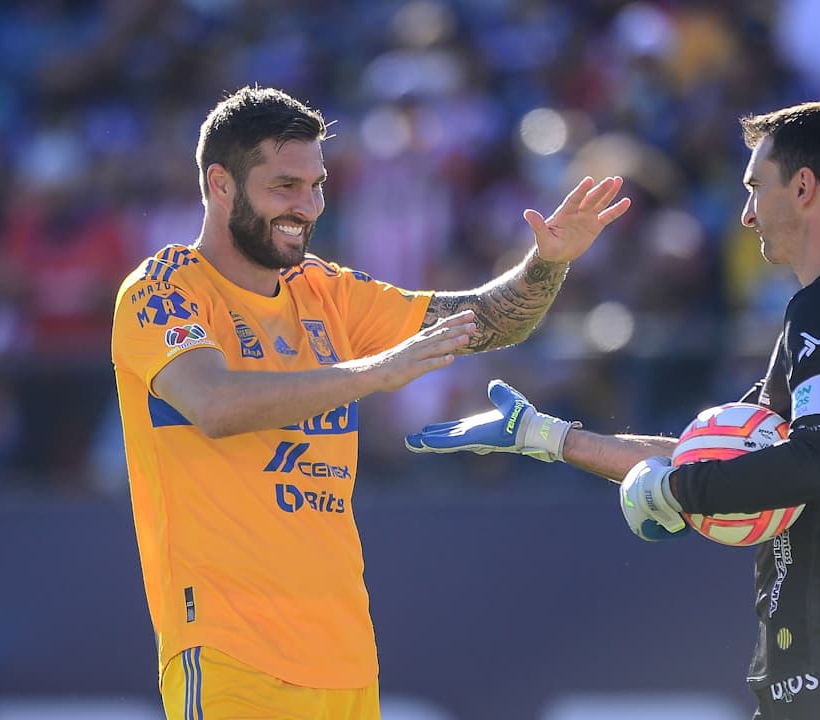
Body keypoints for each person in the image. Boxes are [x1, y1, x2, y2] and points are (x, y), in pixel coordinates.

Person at [110, 85, 629, 720]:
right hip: (229, 654)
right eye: (284, 187)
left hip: (346, 663)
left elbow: (485, 322)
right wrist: (370, 373)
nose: (307, 206)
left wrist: (547, 264)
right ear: (221, 185)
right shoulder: (163, 290)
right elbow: (213, 403)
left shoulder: (326, 290)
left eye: (316, 185)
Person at [406, 99, 820, 719]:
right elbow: (721, 451)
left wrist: (680, 492)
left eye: (755, 188)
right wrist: (546, 437)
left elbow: (817, 461)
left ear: (805, 187)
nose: (746, 212)